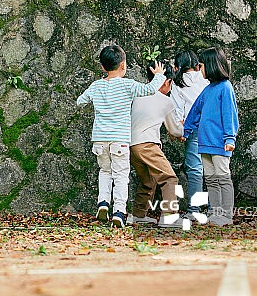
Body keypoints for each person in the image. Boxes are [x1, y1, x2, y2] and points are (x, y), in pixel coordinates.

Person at [76, 45, 165, 228]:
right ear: (123, 65)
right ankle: (119, 212)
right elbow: (149, 90)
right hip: (120, 140)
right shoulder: (128, 85)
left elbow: (80, 101)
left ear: (102, 67)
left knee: (105, 172)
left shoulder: (96, 86)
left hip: (100, 139)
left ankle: (102, 203)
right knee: (121, 175)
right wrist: (159, 76)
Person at [183, 47, 239, 226]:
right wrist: (186, 130)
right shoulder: (208, 90)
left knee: (222, 177)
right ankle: (215, 213)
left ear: (212, 65)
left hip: (220, 144)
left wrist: (230, 138)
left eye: (202, 65)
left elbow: (230, 114)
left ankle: (227, 215)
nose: (200, 69)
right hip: (205, 144)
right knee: (211, 180)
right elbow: (194, 111)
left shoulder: (225, 88)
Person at [129, 60, 185, 228]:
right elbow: (175, 131)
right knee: (169, 178)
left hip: (132, 145)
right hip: (148, 144)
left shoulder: (137, 95)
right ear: (167, 81)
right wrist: (181, 129)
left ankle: (138, 215)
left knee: (148, 180)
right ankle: (169, 217)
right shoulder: (165, 101)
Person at [171, 51, 209, 218]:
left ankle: (194, 209)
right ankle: (208, 204)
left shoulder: (178, 83)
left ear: (178, 66)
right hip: (211, 127)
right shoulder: (205, 78)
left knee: (194, 168)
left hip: (192, 127)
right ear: (196, 64)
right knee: (209, 165)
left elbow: (178, 109)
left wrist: (181, 131)